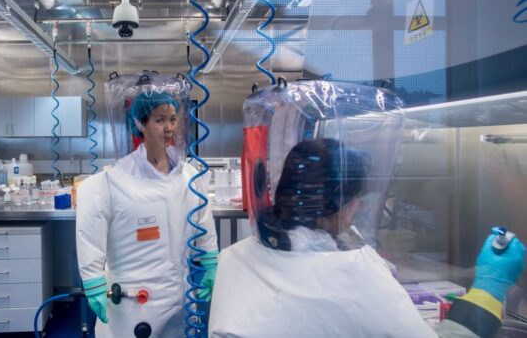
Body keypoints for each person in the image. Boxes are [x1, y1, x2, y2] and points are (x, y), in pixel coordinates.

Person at [209, 138, 526, 337]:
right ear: (344, 207)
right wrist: (489, 288)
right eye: (356, 201)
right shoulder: (355, 275)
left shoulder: (233, 258)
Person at [76, 90, 219, 338]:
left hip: (181, 297)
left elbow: (203, 220)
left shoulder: (189, 177)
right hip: (135, 303)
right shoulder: (114, 180)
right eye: (159, 120)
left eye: (173, 119)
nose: (169, 128)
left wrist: (210, 261)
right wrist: (93, 280)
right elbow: (90, 232)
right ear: (140, 124)